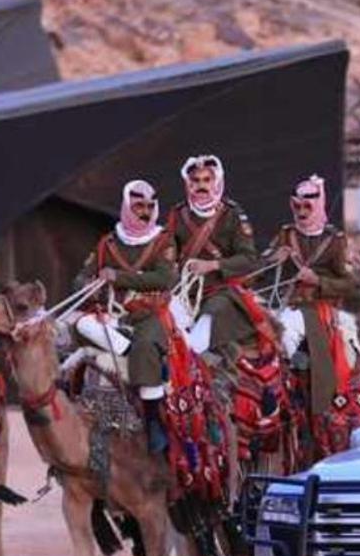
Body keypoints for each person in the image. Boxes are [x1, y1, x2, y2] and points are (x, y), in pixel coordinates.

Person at [75, 180, 177, 451]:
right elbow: (83, 275)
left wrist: (118, 277)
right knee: (78, 325)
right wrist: (87, 284)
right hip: (112, 315)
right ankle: (123, 348)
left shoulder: (163, 240)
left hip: (148, 313)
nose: (144, 212)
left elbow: (165, 277)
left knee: (146, 346)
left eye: (149, 206)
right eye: (138, 206)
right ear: (126, 207)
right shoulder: (107, 243)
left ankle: (154, 421)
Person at [263, 176, 360, 417]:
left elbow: (349, 283)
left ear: (318, 205)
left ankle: (306, 389)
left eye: (307, 207)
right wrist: (272, 259)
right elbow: (262, 268)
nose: (301, 212)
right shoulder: (285, 235)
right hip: (290, 303)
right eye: (297, 207)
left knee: (284, 328)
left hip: (321, 306)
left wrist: (317, 281)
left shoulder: (335, 241)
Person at [167, 154, 262, 356]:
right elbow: (166, 252)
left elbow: (248, 260)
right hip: (184, 292)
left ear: (216, 182)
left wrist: (213, 265)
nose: (201, 186)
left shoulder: (232, 214)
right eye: (195, 180)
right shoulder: (178, 214)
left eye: (207, 180)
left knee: (195, 344)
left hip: (222, 292)